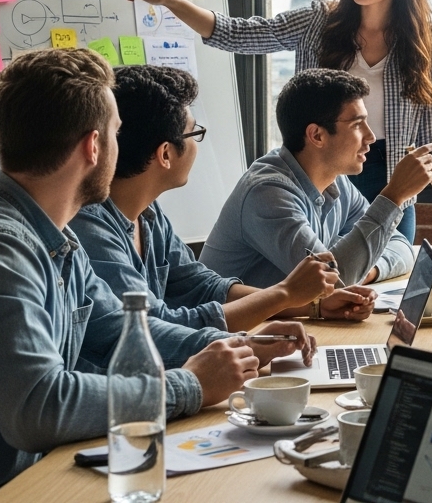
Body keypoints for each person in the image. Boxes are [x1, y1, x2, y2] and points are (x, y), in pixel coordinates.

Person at [0, 50, 314, 503]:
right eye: (115, 133)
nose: (121, 145)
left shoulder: (51, 234)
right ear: (93, 146)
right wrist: (189, 386)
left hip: (12, 481)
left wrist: (233, 349)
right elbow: (38, 408)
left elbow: (119, 330)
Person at [119, 0, 432, 244]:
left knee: (389, 286)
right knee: (330, 287)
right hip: (326, 181)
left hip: (392, 183)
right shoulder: (318, 22)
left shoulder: (425, 40)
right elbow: (239, 33)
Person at [71, 65, 376, 331]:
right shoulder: (91, 228)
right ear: (165, 154)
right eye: (194, 134)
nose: (197, 145)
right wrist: (284, 295)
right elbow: (155, 327)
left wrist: (312, 307)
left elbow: (203, 287)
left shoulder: (149, 215)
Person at [202, 68, 432, 288]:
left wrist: (364, 271)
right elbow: (333, 283)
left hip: (284, 324)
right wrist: (394, 195)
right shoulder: (268, 194)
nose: (371, 137)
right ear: (317, 135)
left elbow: (400, 246)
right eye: (357, 124)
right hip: (234, 329)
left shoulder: (337, 182)